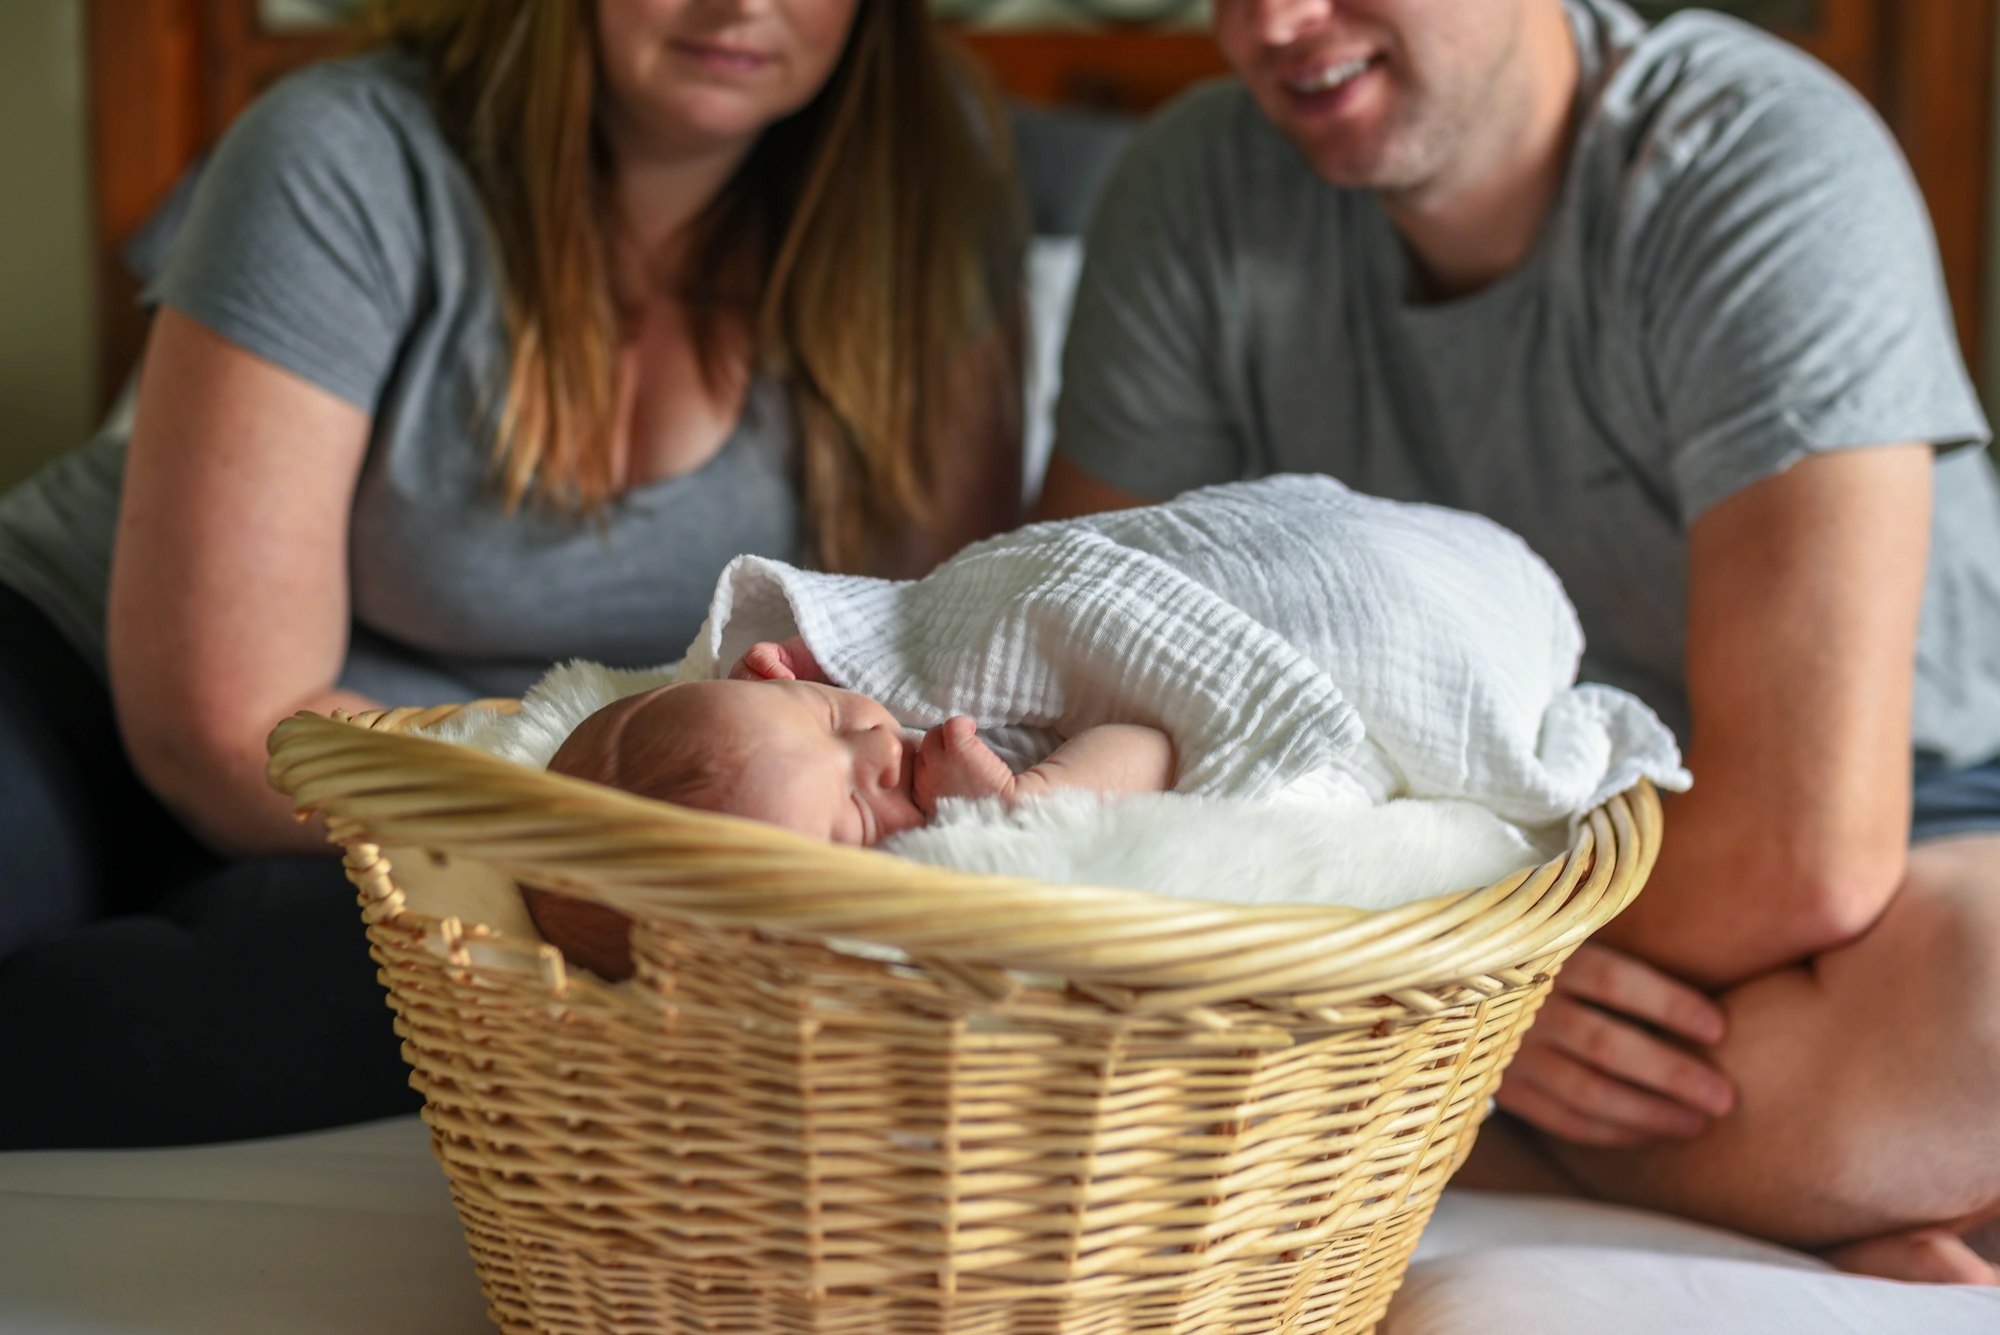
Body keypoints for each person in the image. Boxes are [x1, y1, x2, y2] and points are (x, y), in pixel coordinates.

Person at [1036, 0, 2000, 1286]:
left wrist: (1454, 989)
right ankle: (1809, 1185)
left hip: (1905, 828)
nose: (1269, 24)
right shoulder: (1188, 187)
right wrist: (1469, 988)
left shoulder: (1753, 158)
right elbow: (1069, 665)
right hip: (1457, 884)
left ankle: (1452, 1127)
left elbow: (1806, 853)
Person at [0, 0, 1024, 1149]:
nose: (744, 6)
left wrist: (625, 836)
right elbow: (225, 733)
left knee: (499, 998)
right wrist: (597, 822)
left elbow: (928, 648)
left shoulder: (928, 199)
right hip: (79, 683)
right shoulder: (346, 152)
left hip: (491, 800)